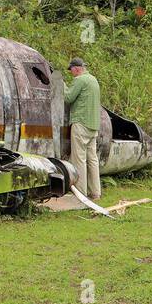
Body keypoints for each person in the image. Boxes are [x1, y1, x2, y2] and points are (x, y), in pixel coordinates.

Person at [64, 57, 102, 200]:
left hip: (81, 123)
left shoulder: (80, 80)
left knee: (79, 158)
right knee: (92, 159)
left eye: (71, 70)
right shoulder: (93, 80)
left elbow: (68, 97)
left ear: (77, 68)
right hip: (93, 125)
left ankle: (81, 193)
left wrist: (60, 85)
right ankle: (95, 192)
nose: (71, 73)